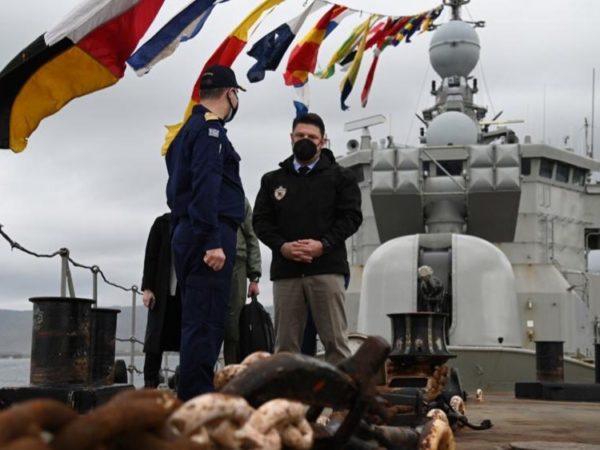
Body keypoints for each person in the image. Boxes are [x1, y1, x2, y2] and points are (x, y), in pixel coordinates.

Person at [253, 112, 362, 365]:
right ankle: (288, 391)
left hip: (327, 270)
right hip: (287, 273)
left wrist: (323, 245)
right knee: (285, 347)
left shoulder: (341, 178)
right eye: (300, 135)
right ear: (291, 137)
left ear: (323, 141)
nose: (305, 140)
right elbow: (261, 222)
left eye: (312, 137)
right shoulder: (272, 181)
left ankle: (341, 392)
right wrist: (282, 247)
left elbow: (351, 217)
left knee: (336, 343)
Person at [165, 65, 245, 400]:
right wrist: (212, 241)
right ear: (230, 93)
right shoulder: (211, 131)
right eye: (236, 94)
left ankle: (191, 396)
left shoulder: (184, 132)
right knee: (206, 323)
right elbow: (206, 184)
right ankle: (196, 403)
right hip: (207, 235)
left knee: (196, 321)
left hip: (187, 232)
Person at [141, 212, 181, 388]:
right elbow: (151, 256)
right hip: (161, 291)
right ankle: (149, 383)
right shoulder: (161, 223)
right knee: (154, 340)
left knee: (186, 338)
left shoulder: (194, 222)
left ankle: (183, 382)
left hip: (184, 293)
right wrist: (147, 288)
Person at [224, 197, 262, 365]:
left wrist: (254, 276)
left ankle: (233, 371)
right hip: (205, 264)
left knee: (234, 326)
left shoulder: (239, 199)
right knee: (206, 325)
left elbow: (251, 236)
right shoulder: (201, 191)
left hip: (236, 264)